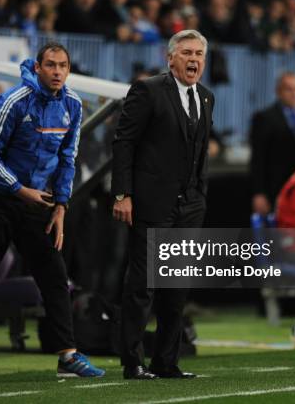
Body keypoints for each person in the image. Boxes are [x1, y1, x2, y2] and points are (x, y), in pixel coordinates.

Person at [0, 42, 105, 380]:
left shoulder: (72, 104)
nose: (57, 71)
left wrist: (62, 206)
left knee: (55, 275)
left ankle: (67, 355)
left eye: (63, 66)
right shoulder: (12, 101)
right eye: (51, 65)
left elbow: (68, 158)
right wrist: (19, 189)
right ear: (38, 67)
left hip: (38, 202)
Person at [112, 29, 214, 380]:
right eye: (186, 52)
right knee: (143, 286)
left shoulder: (206, 97)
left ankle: (166, 361)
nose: (194, 60)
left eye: (199, 54)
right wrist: (122, 194)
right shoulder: (148, 90)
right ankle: (132, 361)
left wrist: (199, 194)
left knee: (176, 288)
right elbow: (124, 142)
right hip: (153, 204)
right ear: (170, 58)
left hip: (190, 207)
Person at [250, 72, 295, 215]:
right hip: (276, 189)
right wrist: (259, 193)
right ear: (278, 92)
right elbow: (258, 159)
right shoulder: (264, 117)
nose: (294, 94)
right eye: (289, 89)